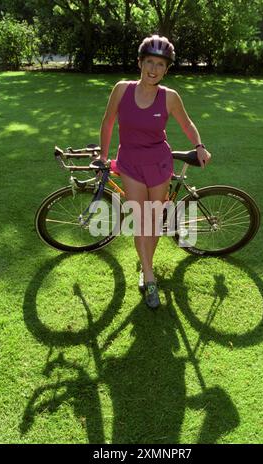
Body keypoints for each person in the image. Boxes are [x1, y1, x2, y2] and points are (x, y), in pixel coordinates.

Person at [99, 35, 211, 309]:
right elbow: (108, 122)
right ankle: (149, 276)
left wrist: (199, 145)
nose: (154, 69)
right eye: (149, 61)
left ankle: (145, 264)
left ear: (167, 69)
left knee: (154, 218)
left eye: (160, 64)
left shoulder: (170, 97)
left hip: (159, 163)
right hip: (131, 163)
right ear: (140, 62)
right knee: (142, 219)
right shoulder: (121, 90)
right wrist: (103, 156)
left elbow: (188, 124)